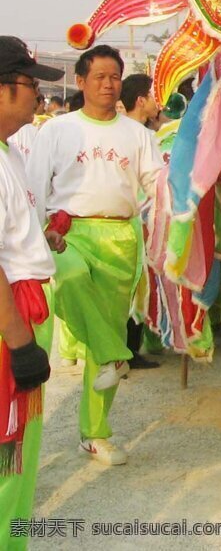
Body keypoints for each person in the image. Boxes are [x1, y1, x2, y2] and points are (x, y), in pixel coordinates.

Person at [27, 46, 162, 466]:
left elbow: (157, 183)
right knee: (68, 280)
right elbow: (35, 183)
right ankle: (114, 353)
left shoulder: (138, 134)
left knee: (105, 333)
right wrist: (39, 231)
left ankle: (95, 433)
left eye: (115, 76)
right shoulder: (57, 130)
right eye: (99, 76)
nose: (108, 83)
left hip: (120, 237)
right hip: (68, 233)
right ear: (81, 81)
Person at [0, 38, 58, 545]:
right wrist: (19, 343)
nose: (38, 98)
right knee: (9, 443)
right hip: (9, 316)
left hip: (26, 302)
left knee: (21, 447)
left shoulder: (9, 155)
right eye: (30, 85)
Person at [117, 74, 163, 373]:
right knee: (134, 286)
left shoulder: (131, 132)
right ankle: (128, 350)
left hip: (132, 217)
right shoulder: (139, 136)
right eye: (154, 95)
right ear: (141, 100)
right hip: (138, 218)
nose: (158, 102)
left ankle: (127, 348)